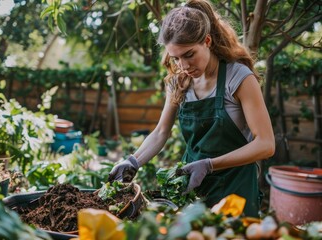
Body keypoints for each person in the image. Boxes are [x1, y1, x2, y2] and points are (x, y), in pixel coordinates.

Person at [108, 0, 275, 217]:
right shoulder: (179, 82)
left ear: (207, 41)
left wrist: (209, 165)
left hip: (237, 189)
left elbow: (266, 144)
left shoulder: (239, 77)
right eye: (176, 58)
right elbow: (161, 132)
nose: (184, 66)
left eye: (189, 55)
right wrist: (132, 161)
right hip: (192, 189)